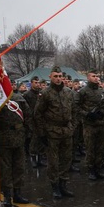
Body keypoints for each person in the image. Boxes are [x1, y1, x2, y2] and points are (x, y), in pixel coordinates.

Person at [35, 66, 76, 198]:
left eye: (60, 76)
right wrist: (42, 133)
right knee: (53, 161)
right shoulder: (45, 93)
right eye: (55, 76)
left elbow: (74, 111)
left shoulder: (69, 92)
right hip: (52, 131)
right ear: (50, 77)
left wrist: (72, 126)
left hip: (66, 131)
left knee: (66, 159)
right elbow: (38, 114)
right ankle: (55, 186)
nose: (58, 79)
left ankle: (63, 184)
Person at [77, 70, 104, 181]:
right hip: (89, 125)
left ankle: (98, 168)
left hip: (101, 124)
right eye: (93, 76)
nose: (96, 78)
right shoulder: (83, 91)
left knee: (101, 148)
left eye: (97, 76)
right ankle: (91, 170)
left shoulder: (101, 91)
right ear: (88, 77)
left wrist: (103, 112)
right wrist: (87, 114)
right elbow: (75, 106)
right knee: (90, 148)